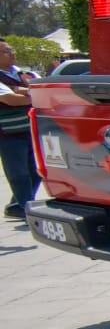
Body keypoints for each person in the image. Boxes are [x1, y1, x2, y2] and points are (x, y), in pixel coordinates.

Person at [0, 41, 40, 219]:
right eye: (7, 51)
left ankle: (16, 206)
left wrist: (25, 91)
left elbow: (40, 87)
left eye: (11, 49)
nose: (12, 53)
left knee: (36, 171)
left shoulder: (23, 73)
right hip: (8, 133)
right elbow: (10, 99)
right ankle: (26, 207)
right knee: (19, 173)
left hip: (30, 130)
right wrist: (33, 96)